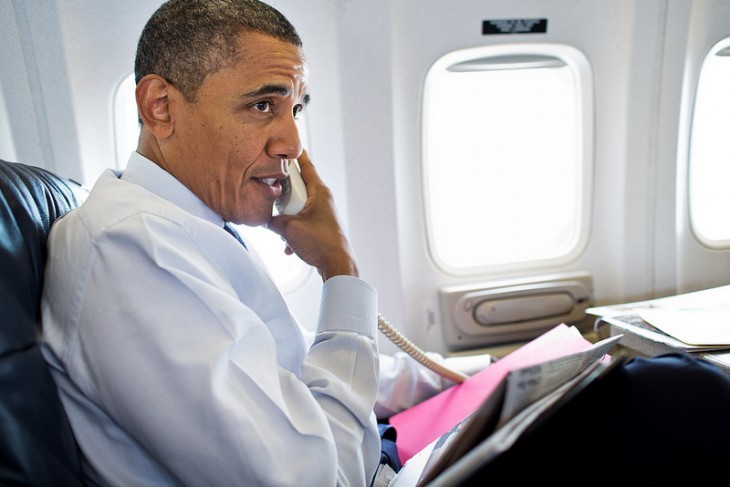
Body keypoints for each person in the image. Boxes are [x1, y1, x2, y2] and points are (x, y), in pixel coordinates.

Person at [41, 1, 483, 485]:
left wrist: (482, 372)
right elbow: (322, 479)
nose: (292, 142)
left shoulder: (195, 227)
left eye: (294, 108)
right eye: (262, 106)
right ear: (160, 107)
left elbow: (298, 374)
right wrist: (341, 272)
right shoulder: (130, 250)